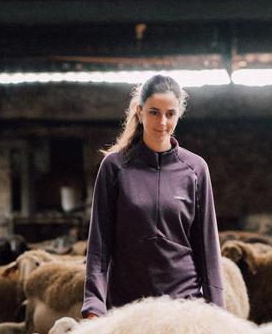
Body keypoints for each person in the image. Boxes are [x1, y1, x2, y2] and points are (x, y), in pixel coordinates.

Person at [81, 74, 224, 319]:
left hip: (183, 304)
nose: (163, 122)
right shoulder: (115, 167)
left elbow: (207, 245)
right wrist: (94, 302)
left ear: (179, 114)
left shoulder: (196, 169)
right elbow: (99, 244)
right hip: (127, 304)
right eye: (154, 112)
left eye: (171, 114)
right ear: (139, 111)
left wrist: (217, 309)